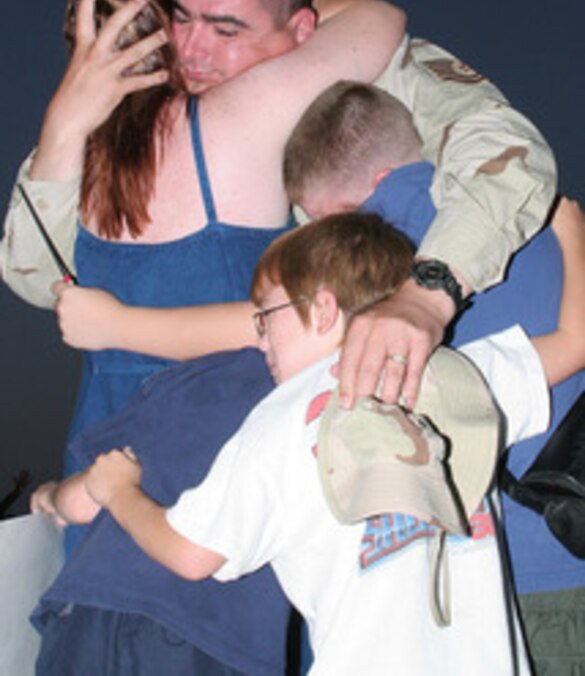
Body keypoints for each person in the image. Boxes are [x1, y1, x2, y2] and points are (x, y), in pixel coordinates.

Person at [1, 0, 557, 413]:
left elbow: (507, 156)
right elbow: (41, 279)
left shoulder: (355, 65)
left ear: (301, 30)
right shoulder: (143, 121)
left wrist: (426, 294)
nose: (191, 54)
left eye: (226, 30)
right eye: (181, 19)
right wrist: (64, 126)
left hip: (456, 337)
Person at [35, 206, 584, 675]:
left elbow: (190, 553)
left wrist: (117, 489)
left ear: (322, 310)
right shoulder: (458, 375)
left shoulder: (280, 420)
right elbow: (576, 341)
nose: (260, 340)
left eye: (266, 317)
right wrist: (568, 223)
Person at [1, 0, 404, 500]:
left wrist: (63, 123)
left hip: (102, 474)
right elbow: (380, 19)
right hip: (231, 470)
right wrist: (261, 12)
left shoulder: (81, 160)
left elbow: (34, 278)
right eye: (185, 20)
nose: (195, 45)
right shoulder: (240, 116)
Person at [282, 80, 585, 673]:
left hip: (506, 581)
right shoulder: (526, 217)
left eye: (323, 219)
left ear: (364, 195)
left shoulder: (376, 267)